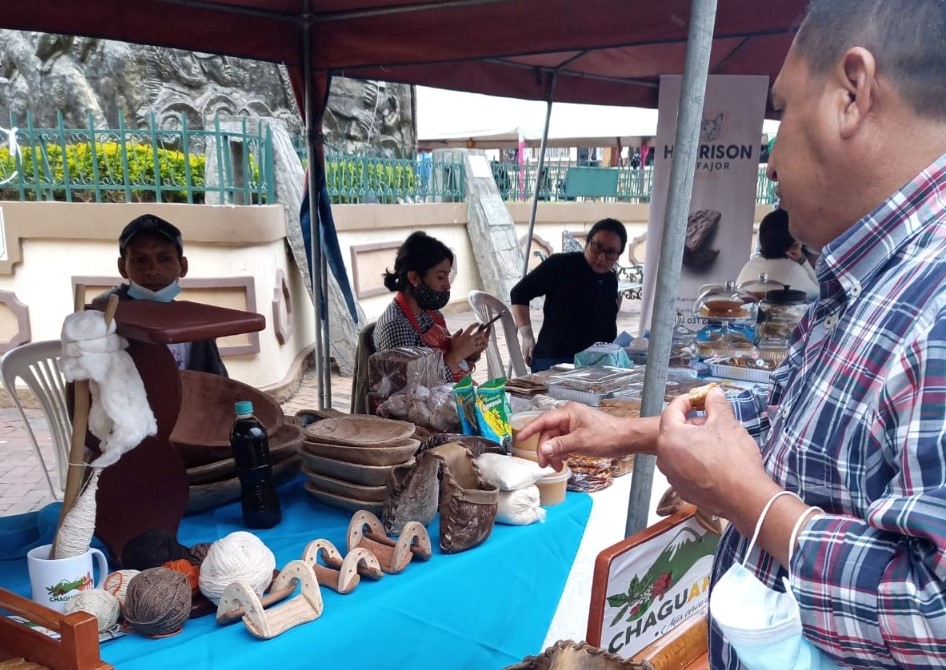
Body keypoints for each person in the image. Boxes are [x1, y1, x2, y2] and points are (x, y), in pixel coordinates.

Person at [519, 2, 946, 668]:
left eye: (781, 110)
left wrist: (749, 500)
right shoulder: (868, 278)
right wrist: (628, 432)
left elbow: (935, 608)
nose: (770, 166)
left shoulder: (936, 299)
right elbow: (785, 416)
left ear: (853, 94)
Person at [93, 213, 228, 377]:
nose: (152, 270)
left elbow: (216, 383)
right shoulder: (102, 316)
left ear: (183, 266)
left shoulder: (196, 324)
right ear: (122, 267)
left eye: (164, 258)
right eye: (139, 260)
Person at [510, 218, 626, 372]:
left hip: (595, 362)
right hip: (555, 359)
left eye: (610, 252)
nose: (601, 257)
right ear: (587, 243)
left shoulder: (610, 280)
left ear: (618, 255)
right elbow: (519, 294)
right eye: (597, 247)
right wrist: (527, 336)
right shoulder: (560, 265)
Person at [373, 231, 488, 382]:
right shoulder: (395, 327)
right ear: (414, 278)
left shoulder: (432, 315)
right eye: (441, 277)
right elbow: (407, 391)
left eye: (447, 276)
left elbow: (448, 365)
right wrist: (455, 355)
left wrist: (470, 352)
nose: (447, 285)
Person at [736, 208, 819, 299]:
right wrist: (803, 260)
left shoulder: (749, 266)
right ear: (794, 243)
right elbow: (820, 291)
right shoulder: (793, 270)